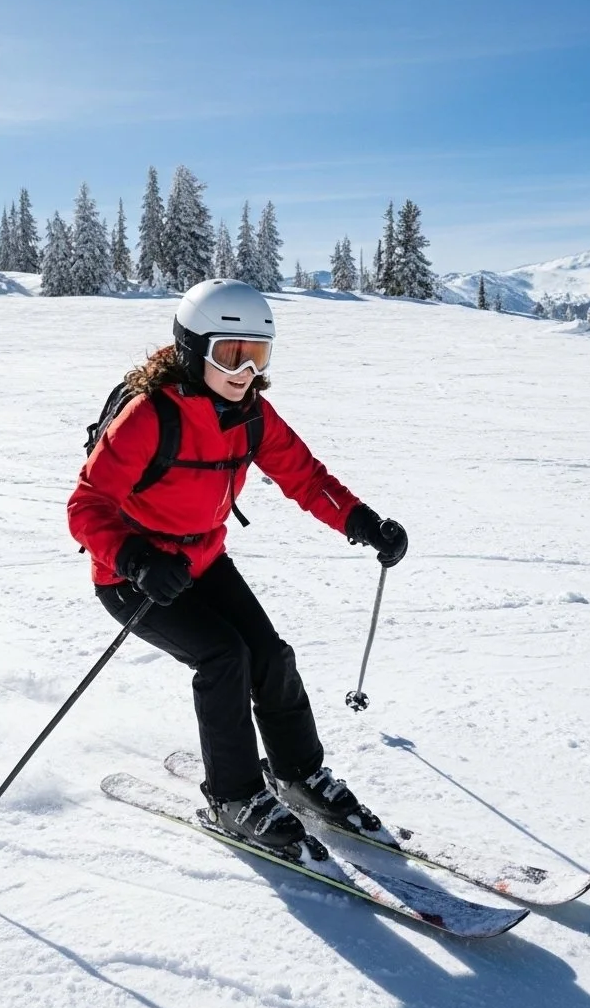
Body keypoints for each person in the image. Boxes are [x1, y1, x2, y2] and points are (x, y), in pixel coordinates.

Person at [67, 279, 408, 852]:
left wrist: (363, 522)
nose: (244, 370)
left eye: (258, 355)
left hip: (202, 559)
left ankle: (299, 773)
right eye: (231, 353)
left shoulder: (252, 415)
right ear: (192, 346)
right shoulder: (150, 416)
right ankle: (234, 796)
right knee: (224, 656)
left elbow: (306, 477)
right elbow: (86, 506)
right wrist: (136, 558)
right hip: (133, 575)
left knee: (270, 655)